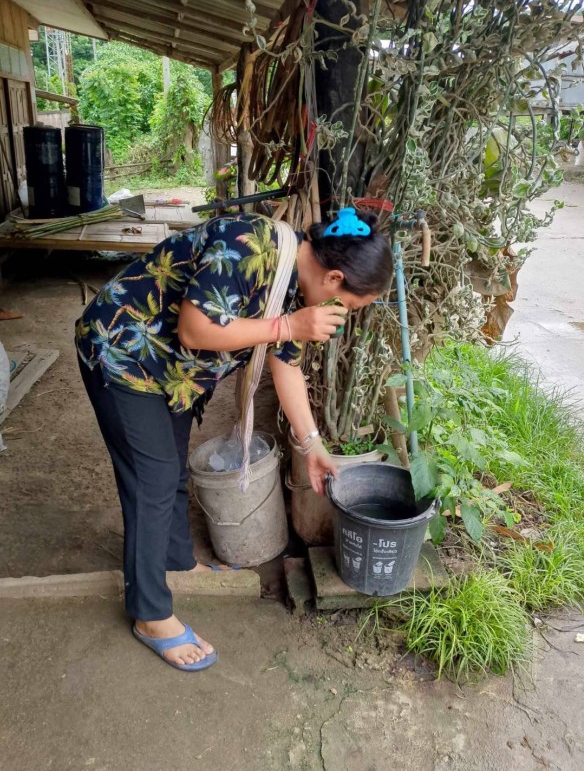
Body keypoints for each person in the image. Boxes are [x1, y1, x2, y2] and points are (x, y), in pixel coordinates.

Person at [75, 207, 393, 672]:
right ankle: (149, 613)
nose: (341, 314)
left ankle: (178, 561)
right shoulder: (251, 245)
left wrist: (313, 447)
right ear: (335, 279)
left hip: (171, 373)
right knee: (153, 479)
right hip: (121, 352)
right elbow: (196, 328)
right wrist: (289, 326)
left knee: (172, 470)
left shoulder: (296, 292)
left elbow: (287, 366)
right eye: (350, 304)